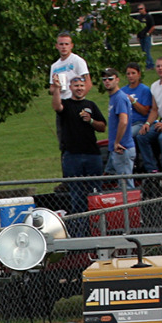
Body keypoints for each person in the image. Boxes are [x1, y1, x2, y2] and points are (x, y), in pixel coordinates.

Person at [52, 72, 106, 219]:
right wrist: (56, 88)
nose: (79, 88)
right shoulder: (67, 105)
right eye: (76, 86)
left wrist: (90, 121)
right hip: (73, 155)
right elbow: (57, 107)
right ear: (71, 87)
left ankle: (97, 224)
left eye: (82, 85)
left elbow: (102, 127)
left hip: (92, 154)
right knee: (76, 193)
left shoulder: (91, 105)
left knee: (95, 191)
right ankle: (80, 227)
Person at [100, 68, 136, 184]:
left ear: (117, 80)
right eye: (104, 79)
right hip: (116, 149)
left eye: (110, 78)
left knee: (126, 186)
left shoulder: (119, 97)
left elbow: (124, 121)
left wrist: (117, 142)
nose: (107, 81)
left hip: (122, 148)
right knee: (118, 184)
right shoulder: (114, 97)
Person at [121, 62, 155, 153]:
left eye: (133, 73)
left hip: (140, 122)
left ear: (139, 74)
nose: (130, 76)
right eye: (128, 74)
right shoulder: (122, 90)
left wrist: (133, 101)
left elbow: (144, 111)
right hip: (127, 123)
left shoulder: (144, 90)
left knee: (125, 137)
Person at [48, 31, 88, 101]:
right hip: (61, 102)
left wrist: (79, 100)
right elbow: (51, 88)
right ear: (57, 46)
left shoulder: (77, 61)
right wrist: (57, 86)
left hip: (75, 101)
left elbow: (88, 83)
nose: (64, 47)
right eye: (61, 44)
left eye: (66, 44)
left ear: (71, 46)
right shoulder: (54, 66)